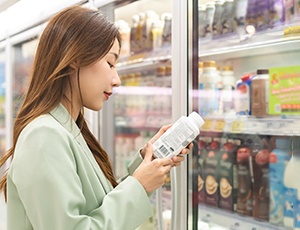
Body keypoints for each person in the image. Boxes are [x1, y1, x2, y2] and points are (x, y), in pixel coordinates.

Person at [0, 5, 192, 230]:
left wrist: (145, 164)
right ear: (75, 58)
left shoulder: (68, 130)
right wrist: (138, 186)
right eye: (110, 63)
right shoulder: (44, 135)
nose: (117, 79)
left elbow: (96, 208)